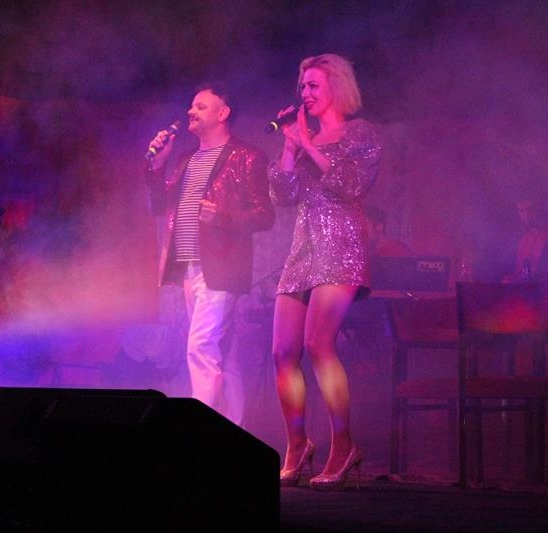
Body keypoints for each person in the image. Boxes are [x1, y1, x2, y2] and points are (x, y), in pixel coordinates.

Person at [269, 54, 382, 489]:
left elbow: (352, 186)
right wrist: (290, 146)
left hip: (341, 246)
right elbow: (283, 195)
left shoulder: (359, 133)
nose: (306, 93)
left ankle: (344, 444)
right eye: (302, 87)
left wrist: (310, 146)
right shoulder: (304, 138)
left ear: (337, 86)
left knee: (319, 343)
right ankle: (297, 444)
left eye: (314, 85)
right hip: (303, 248)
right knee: (283, 351)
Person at [145, 82, 275, 425]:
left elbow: (265, 215)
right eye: (192, 106)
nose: (191, 111)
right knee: (223, 354)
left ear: (223, 113)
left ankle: (199, 431)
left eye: (201, 106)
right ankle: (234, 429)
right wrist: (158, 166)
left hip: (223, 267)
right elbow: (158, 205)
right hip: (190, 267)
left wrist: (223, 216)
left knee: (200, 347)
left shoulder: (246, 156)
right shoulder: (186, 159)